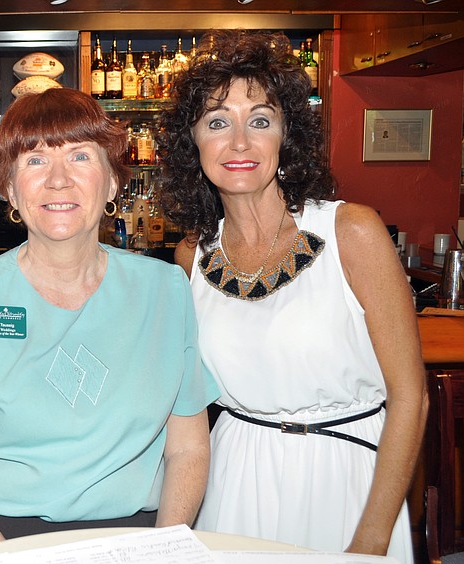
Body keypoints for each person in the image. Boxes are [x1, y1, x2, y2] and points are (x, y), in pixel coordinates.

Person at [0, 87, 220, 561]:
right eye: (33, 161)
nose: (58, 180)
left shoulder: (165, 291)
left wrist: (164, 547)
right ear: (9, 189)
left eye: (79, 156)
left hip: (136, 539)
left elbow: (188, 450)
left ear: (114, 182)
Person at [158, 29, 427, 562]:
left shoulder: (351, 231)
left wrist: (372, 540)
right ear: (194, 145)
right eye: (217, 123)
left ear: (287, 137)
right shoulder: (190, 257)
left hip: (348, 481)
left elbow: (410, 398)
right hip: (235, 482)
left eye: (260, 120)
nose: (239, 143)